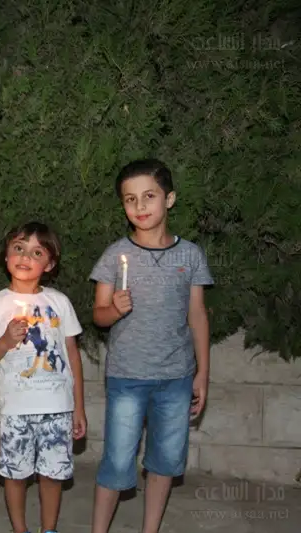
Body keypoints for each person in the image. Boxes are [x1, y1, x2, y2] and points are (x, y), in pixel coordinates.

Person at [88, 159, 213, 533]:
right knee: (117, 462)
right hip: (127, 376)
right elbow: (98, 315)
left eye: (149, 196)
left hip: (176, 377)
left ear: (169, 199)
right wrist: (114, 309)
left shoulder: (190, 255)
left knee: (164, 462)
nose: (140, 206)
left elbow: (197, 315)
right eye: (130, 199)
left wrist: (203, 373)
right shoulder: (114, 256)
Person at [0, 221, 87, 533]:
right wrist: (6, 341)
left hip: (57, 406)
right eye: (19, 248)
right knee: (16, 474)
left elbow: (72, 356)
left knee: (52, 474)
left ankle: (48, 529)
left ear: (49, 264)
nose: (25, 257)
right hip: (16, 409)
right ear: (6, 255)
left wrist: (78, 407)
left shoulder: (59, 302)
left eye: (37, 252)